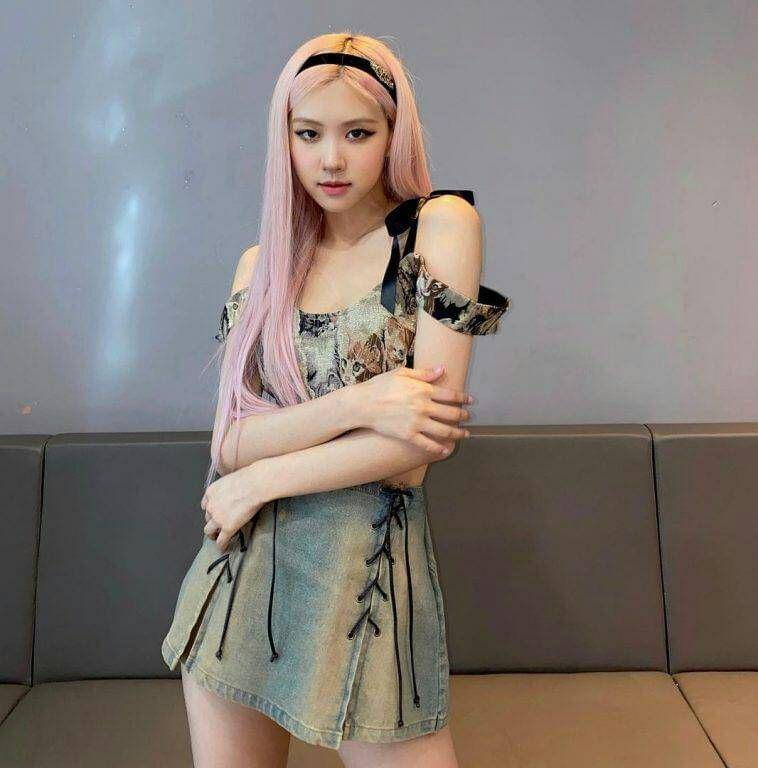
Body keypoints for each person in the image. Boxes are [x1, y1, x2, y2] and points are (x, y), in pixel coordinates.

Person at [161, 31, 510, 768]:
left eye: (357, 133)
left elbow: (413, 453)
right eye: (308, 133)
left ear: (394, 133)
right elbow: (228, 442)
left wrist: (260, 478)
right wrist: (362, 404)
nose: (330, 159)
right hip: (238, 583)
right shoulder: (262, 265)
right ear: (283, 139)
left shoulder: (438, 227)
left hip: (367, 597)